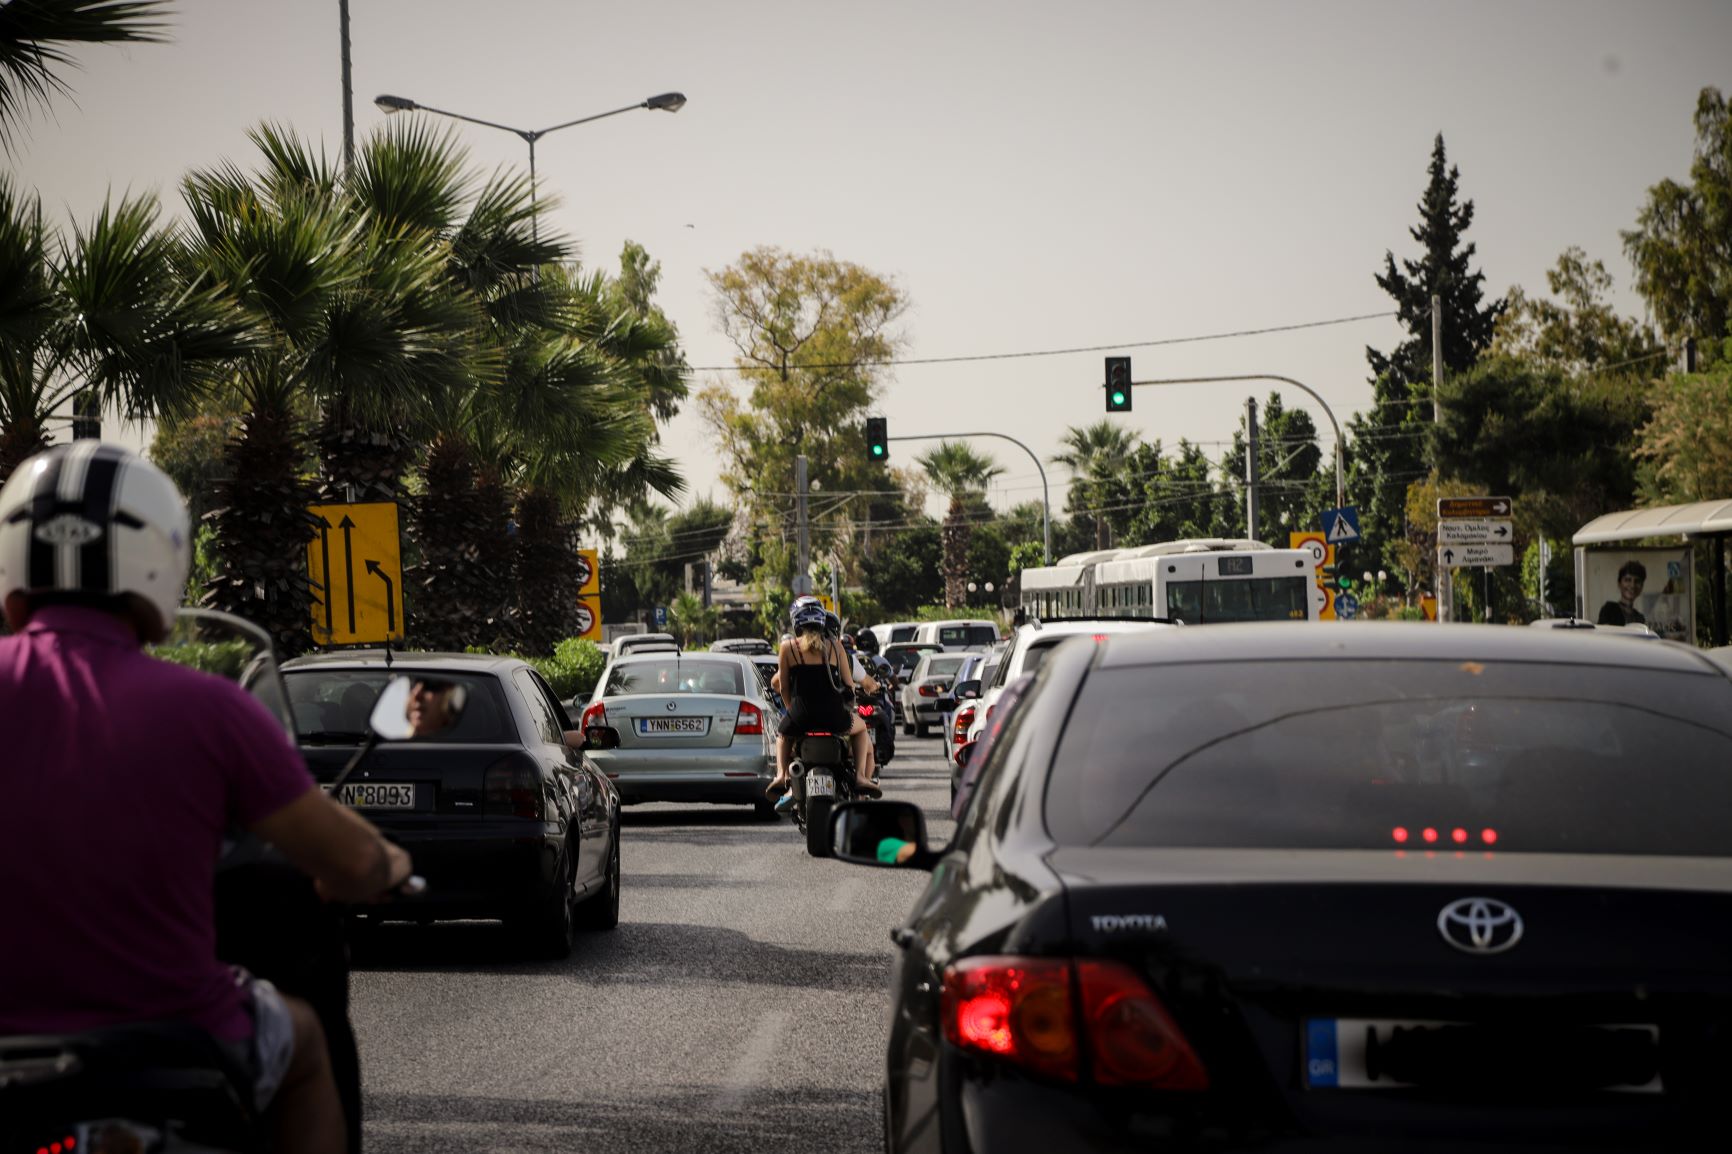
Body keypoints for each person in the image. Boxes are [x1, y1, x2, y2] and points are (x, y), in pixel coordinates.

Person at [0, 443, 412, 1154]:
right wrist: (386, 865)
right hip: (178, 1035)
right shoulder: (210, 710)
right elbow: (348, 863)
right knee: (307, 1044)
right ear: (159, 563)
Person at [766, 596, 881, 800]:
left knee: (782, 734)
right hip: (834, 717)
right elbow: (849, 685)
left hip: (801, 717)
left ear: (796, 622)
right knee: (862, 728)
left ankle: (781, 775)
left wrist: (791, 710)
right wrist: (847, 707)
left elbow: (783, 686)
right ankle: (862, 777)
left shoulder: (787, 648)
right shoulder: (836, 647)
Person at [1597, 560, 1647, 626]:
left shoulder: (1640, 618)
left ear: (1642, 586)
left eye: (1637, 581)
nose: (1632, 585)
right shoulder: (1609, 610)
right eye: (1627, 580)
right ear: (1619, 584)